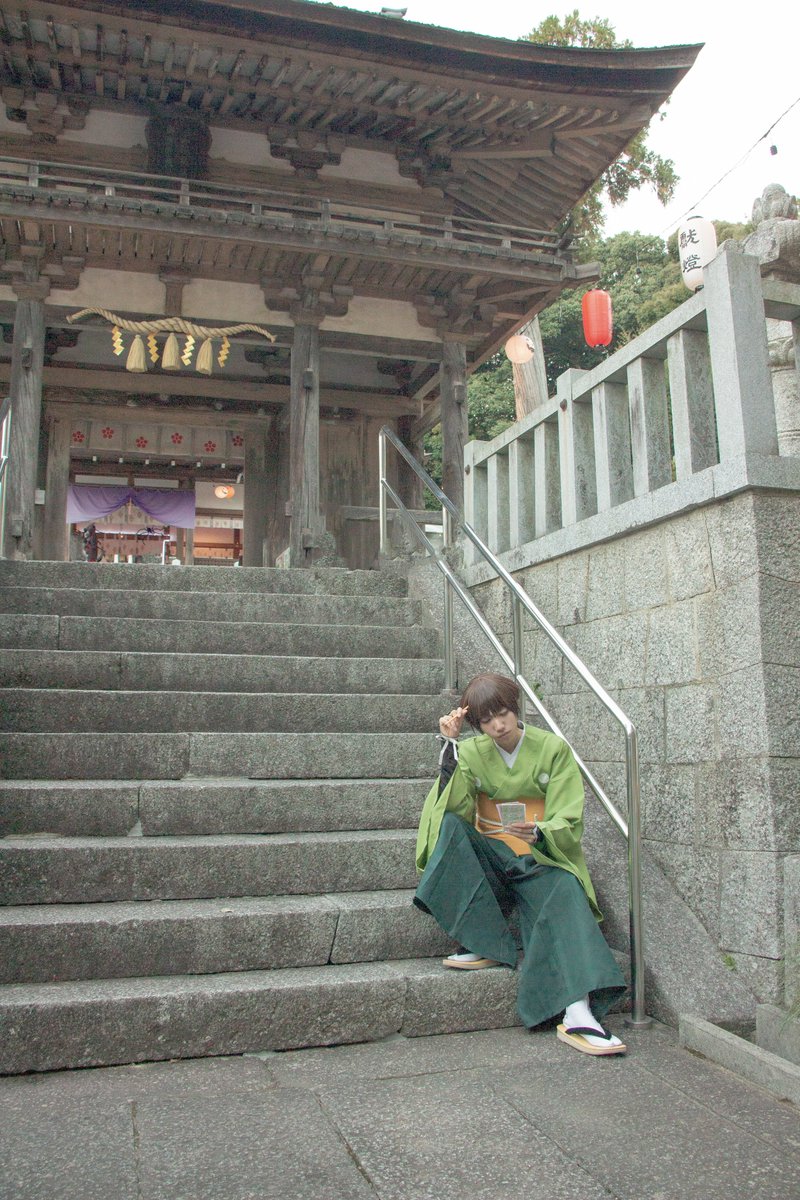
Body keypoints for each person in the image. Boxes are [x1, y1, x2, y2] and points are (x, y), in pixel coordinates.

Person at [414, 672, 627, 1056]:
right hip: (494, 855)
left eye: (503, 714)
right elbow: (452, 807)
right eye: (486, 720)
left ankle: (578, 1012)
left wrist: (541, 831)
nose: (498, 725)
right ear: (477, 724)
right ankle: (481, 938)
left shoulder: (552, 749)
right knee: (450, 827)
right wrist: (450, 745)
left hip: (540, 855)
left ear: (516, 708)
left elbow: (568, 816)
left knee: (565, 887)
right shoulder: (472, 751)